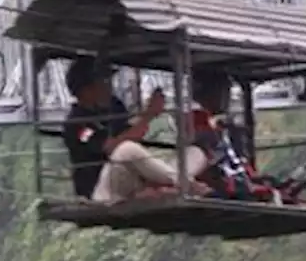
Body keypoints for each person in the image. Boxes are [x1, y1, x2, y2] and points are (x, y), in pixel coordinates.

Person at [62, 56, 210, 202]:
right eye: (104, 81)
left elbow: (134, 134)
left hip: (130, 177)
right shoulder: (76, 122)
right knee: (126, 149)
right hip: (101, 187)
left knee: (195, 152)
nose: (110, 86)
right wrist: (148, 116)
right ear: (86, 89)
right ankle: (184, 184)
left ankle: (167, 186)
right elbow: (111, 147)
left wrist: (149, 118)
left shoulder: (114, 106)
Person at [188, 69, 277, 200]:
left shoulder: (228, 127)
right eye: (221, 90)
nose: (226, 97)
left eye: (227, 90)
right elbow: (212, 159)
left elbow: (240, 163)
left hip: (238, 182)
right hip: (222, 186)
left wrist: (253, 177)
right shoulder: (197, 122)